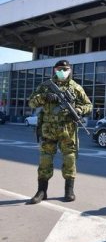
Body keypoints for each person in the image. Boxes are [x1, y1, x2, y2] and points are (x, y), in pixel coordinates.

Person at [28, 60, 92, 204]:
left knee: (70, 160)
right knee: (45, 160)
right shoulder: (45, 86)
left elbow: (88, 105)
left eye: (65, 69)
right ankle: (41, 191)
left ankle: (69, 191)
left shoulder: (76, 88)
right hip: (48, 130)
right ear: (54, 70)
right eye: (59, 69)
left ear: (70, 70)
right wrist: (44, 97)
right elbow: (31, 102)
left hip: (67, 131)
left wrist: (79, 110)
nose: (62, 71)